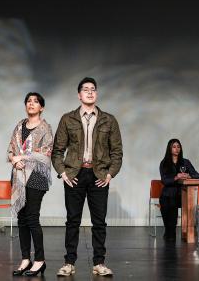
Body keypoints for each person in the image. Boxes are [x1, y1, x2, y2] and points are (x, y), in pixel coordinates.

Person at [52, 77, 123, 277]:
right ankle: (69, 263)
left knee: (99, 222)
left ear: (96, 94)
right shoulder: (68, 119)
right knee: (72, 220)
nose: (90, 92)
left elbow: (117, 151)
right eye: (85, 89)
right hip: (75, 174)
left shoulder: (108, 119)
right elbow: (57, 150)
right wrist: (63, 172)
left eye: (93, 89)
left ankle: (99, 263)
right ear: (79, 95)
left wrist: (110, 174)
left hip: (98, 174)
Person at [7, 92, 53, 277]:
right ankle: (26, 258)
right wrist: (14, 160)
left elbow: (45, 153)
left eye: (35, 102)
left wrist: (22, 157)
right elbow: (10, 148)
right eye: (28, 101)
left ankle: (40, 260)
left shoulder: (45, 128)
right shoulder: (19, 126)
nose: (31, 104)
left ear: (41, 107)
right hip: (18, 175)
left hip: (36, 176)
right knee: (21, 219)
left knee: (32, 217)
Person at [159, 138, 199, 241]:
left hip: (181, 194)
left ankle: (171, 232)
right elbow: (164, 180)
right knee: (166, 202)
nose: (176, 149)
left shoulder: (185, 162)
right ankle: (169, 230)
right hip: (167, 193)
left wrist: (188, 176)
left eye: (178, 147)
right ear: (169, 149)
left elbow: (197, 175)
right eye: (174, 147)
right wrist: (176, 177)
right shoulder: (164, 163)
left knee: (172, 201)